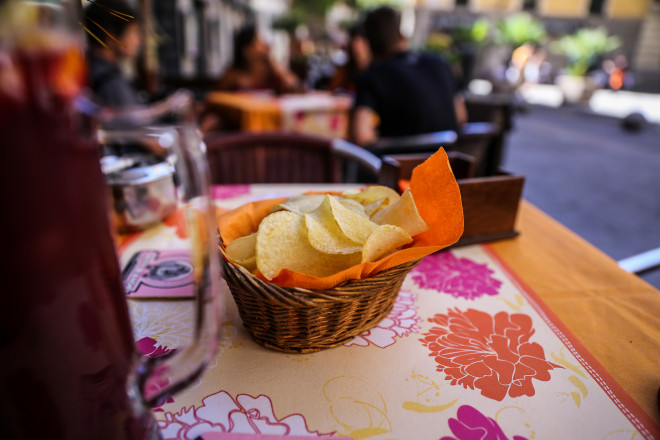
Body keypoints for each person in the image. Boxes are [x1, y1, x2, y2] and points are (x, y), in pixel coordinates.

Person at [351, 7, 467, 147]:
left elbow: (362, 136)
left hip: (401, 167)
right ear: (400, 35)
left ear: (368, 42)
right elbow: (461, 117)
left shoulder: (373, 75)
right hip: (444, 165)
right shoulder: (440, 63)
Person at [217, 24, 300, 94]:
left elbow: (294, 85)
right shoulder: (234, 75)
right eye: (259, 42)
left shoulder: (271, 72)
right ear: (247, 51)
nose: (266, 44)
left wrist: (272, 62)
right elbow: (216, 98)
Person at [330, 22, 372, 93]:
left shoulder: (375, 70)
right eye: (354, 40)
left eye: (361, 41)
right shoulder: (345, 69)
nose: (356, 45)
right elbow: (332, 90)